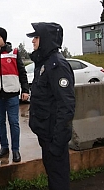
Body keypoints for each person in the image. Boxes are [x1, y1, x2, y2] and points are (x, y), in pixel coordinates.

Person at [26, 22, 75, 190]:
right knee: (52, 174)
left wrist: (58, 141)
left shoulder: (57, 65)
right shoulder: (44, 63)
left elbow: (66, 105)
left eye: (36, 37)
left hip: (54, 136)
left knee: (58, 177)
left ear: (46, 39)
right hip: (46, 132)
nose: (33, 41)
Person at [0, 27, 30, 163]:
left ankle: (16, 150)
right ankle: (4, 147)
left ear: (4, 38)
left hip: (12, 94)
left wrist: (25, 90)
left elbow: (22, 72)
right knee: (0, 123)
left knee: (14, 122)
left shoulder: (14, 53)